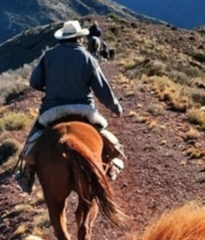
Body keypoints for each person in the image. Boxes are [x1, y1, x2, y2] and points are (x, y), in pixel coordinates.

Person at [14, 20, 124, 194]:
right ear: (79, 38)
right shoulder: (88, 58)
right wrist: (116, 108)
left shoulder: (48, 56)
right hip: (84, 109)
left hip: (52, 110)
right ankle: (111, 165)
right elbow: (102, 90)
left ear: (62, 39)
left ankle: (27, 174)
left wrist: (50, 87)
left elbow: (34, 82)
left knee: (33, 139)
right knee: (105, 137)